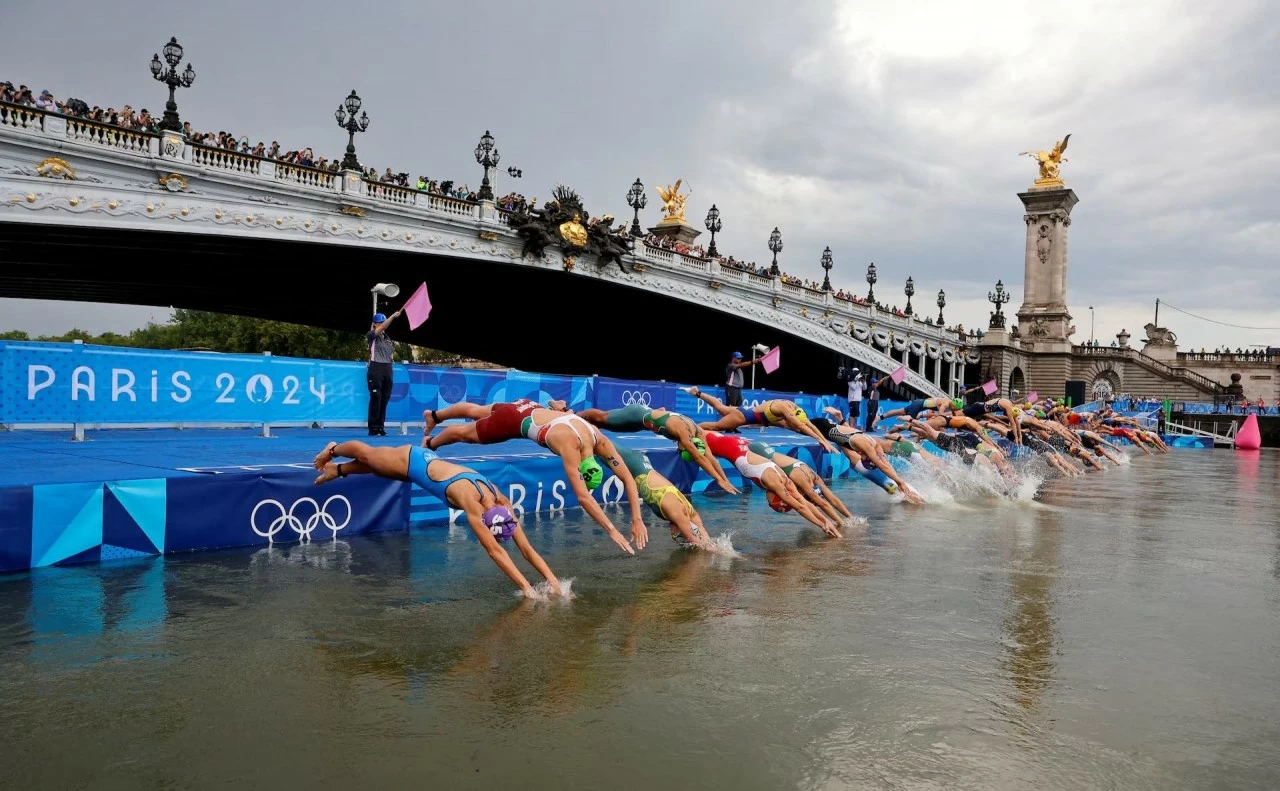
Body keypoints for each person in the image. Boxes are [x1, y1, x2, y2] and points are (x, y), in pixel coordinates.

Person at [311, 440, 563, 598]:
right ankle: (333, 449)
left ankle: (338, 471)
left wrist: (554, 583)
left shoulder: (503, 503)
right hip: (412, 459)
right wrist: (527, 589)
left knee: (380, 468)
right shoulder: (471, 501)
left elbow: (526, 549)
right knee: (369, 455)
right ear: (486, 518)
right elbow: (495, 552)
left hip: (421, 469)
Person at [702, 431, 841, 537]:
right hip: (727, 446)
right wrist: (821, 524)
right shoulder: (774, 484)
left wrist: (825, 521)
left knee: (704, 432)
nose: (767, 501)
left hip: (739, 444)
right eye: (770, 503)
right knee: (699, 438)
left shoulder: (786, 481)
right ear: (776, 497)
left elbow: (803, 503)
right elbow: (799, 507)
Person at [577, 403, 740, 494]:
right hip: (637, 414)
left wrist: (725, 480)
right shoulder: (683, 431)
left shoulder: (699, 432)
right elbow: (698, 457)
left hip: (643, 423)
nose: (679, 449)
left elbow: (709, 457)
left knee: (600, 426)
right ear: (687, 445)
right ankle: (573, 416)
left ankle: (575, 423)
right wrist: (718, 480)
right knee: (601, 418)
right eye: (683, 450)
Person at [614, 446, 719, 551]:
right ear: (679, 528)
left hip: (639, 463)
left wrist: (715, 548)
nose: (672, 533)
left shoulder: (691, 514)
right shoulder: (676, 512)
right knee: (604, 445)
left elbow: (706, 539)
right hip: (635, 463)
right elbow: (695, 541)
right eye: (676, 535)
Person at [685, 387, 835, 453]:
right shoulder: (784, 409)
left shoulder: (795, 410)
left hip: (747, 412)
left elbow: (808, 425)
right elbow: (801, 427)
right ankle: (687, 429)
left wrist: (824, 440)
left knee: (721, 408)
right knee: (716, 426)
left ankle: (696, 392)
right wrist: (819, 440)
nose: (793, 427)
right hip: (743, 417)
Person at [748, 440, 857, 526]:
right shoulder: (803, 481)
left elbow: (833, 499)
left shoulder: (814, 478)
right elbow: (823, 504)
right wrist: (842, 524)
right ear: (805, 494)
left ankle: (850, 517)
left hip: (765, 451)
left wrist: (850, 519)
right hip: (757, 451)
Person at [366, 309, 401, 436]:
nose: (381, 324)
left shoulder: (387, 339)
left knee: (385, 398)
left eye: (382, 322)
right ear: (375, 324)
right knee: (376, 397)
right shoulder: (371, 335)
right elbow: (382, 328)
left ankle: (380, 427)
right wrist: (392, 316)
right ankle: (373, 427)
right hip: (376, 368)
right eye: (379, 323)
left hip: (387, 368)